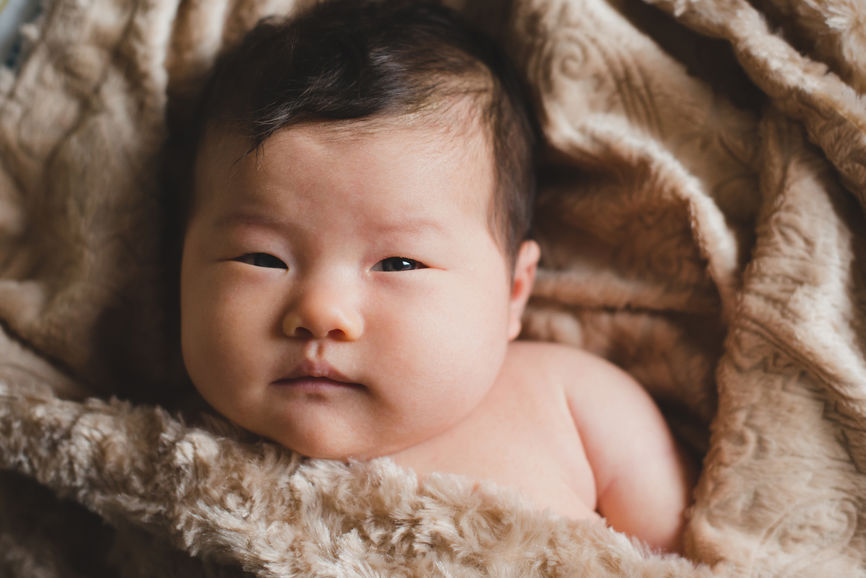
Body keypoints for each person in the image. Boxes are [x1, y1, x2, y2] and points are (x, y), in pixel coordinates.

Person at [178, 0, 695, 553]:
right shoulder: (182, 455)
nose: (322, 312)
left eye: (398, 264)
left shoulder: (571, 403)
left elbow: (703, 558)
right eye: (261, 259)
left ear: (515, 293)